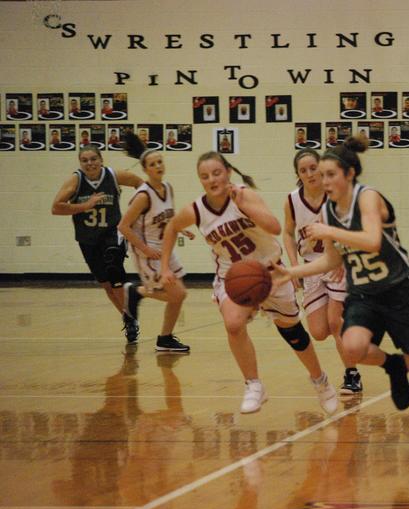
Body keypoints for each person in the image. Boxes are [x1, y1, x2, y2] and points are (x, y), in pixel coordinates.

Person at [271, 137, 409, 453]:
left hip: (400, 291)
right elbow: (332, 260)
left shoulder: (368, 198)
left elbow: (373, 240)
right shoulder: (328, 212)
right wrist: (291, 272)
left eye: (330, 174)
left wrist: (328, 231)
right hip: (364, 294)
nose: (324, 181)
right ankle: (393, 365)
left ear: (349, 174)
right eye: (322, 175)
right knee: (352, 348)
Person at [159, 151, 339, 415]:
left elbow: (274, 227)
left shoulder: (245, 196)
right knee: (233, 324)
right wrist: (164, 266)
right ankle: (253, 384)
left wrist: (245, 206)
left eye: (216, 173)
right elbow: (172, 227)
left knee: (292, 332)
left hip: (270, 272)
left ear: (228, 172)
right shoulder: (196, 210)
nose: (212, 180)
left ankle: (320, 380)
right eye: (205, 176)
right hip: (232, 277)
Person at [284, 148, 363, 395]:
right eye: (303, 170)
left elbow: (354, 231)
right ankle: (352, 325)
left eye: (313, 168)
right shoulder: (292, 200)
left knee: (334, 322)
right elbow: (287, 233)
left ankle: (352, 374)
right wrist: (294, 267)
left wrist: (343, 255)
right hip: (311, 266)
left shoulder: (336, 195)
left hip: (338, 262)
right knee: (318, 332)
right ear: (298, 174)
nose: (309, 174)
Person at [51, 145, 143, 342]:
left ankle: (130, 306)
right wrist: (85, 205)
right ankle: (128, 317)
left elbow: (140, 184)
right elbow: (56, 208)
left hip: (112, 233)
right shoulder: (76, 180)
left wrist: (137, 210)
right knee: (106, 285)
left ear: (101, 160)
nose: (90, 163)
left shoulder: (113, 176)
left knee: (113, 270)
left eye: (93, 159)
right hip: (88, 238)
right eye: (85, 160)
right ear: (80, 163)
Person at [117, 132, 191, 352]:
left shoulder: (168, 188)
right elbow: (123, 226)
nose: (158, 166)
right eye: (153, 164)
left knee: (178, 296)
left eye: (160, 162)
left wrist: (181, 229)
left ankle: (165, 339)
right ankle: (136, 292)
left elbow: (169, 217)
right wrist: (145, 249)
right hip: (147, 253)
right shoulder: (143, 196)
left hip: (165, 249)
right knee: (178, 294)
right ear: (145, 170)